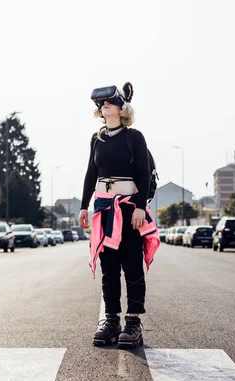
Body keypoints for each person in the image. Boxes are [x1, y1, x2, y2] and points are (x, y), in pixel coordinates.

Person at [79, 82, 160, 349]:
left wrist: (139, 206)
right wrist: (83, 206)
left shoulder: (133, 137)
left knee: (132, 264)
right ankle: (111, 321)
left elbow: (145, 174)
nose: (105, 106)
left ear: (122, 108)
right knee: (109, 267)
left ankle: (133, 323)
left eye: (110, 103)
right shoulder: (96, 138)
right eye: (102, 105)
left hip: (129, 209)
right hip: (103, 210)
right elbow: (92, 174)